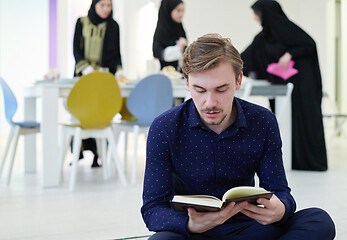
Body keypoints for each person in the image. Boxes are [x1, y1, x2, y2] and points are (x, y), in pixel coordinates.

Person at [141, 34, 335, 239]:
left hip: (250, 229)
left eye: (221, 89)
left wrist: (281, 209)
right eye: (200, 90)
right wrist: (189, 224)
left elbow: (280, 191)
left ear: (238, 80)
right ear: (187, 83)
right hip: (194, 232)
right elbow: (152, 209)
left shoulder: (263, 121)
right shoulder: (164, 127)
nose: (210, 103)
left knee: (319, 221)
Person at [241, 0, 327, 171]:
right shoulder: (263, 37)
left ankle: (310, 162)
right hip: (281, 88)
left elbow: (308, 45)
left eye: (257, 14)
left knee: (304, 120)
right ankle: (291, 160)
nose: (255, 18)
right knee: (285, 122)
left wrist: (290, 54)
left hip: (302, 87)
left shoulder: (288, 30)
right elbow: (245, 58)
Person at [72, 0, 122, 167]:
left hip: (103, 79)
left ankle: (98, 155)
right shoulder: (81, 22)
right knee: (82, 113)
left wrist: (119, 71)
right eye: (102, 6)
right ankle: (77, 152)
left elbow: (116, 53)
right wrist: (85, 69)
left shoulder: (113, 26)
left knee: (102, 114)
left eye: (109, 6)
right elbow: (76, 49)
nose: (106, 9)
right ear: (94, 5)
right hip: (83, 77)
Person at [153, 0, 187, 71]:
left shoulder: (179, 28)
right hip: (165, 75)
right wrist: (179, 48)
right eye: (178, 10)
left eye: (183, 10)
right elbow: (158, 54)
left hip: (180, 74)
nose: (181, 14)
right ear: (169, 10)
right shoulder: (161, 31)